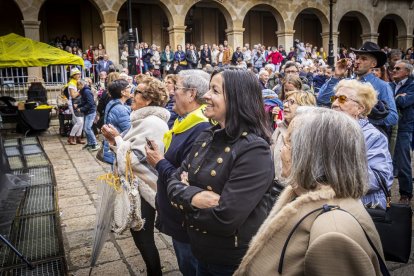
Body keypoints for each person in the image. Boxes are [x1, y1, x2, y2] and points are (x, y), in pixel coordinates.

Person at [235, 107, 384, 275]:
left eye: (288, 142)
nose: (282, 150)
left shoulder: (332, 233)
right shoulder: (303, 196)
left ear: (310, 155)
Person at [167, 70, 275, 275]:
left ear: (237, 98)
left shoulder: (254, 150)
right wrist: (197, 197)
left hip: (231, 262)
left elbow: (226, 218)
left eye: (214, 90)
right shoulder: (207, 135)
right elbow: (172, 182)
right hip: (201, 251)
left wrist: (185, 196)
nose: (205, 95)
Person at [101, 76, 170, 276]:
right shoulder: (141, 119)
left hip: (145, 187)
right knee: (140, 235)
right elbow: (131, 150)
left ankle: (154, 272)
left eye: (137, 92)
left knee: (142, 235)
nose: (132, 95)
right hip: (136, 185)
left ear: (148, 100)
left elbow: (140, 160)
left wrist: (117, 139)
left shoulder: (153, 123)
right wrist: (117, 141)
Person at [145, 70, 211, 275]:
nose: (171, 92)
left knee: (191, 267)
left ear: (191, 94)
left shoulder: (201, 128)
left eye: (176, 88)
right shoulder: (183, 121)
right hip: (176, 215)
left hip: (186, 221)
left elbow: (186, 179)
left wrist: (159, 162)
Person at [331, 79, 393, 209]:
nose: (335, 104)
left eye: (342, 99)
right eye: (334, 98)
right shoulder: (330, 132)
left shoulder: (373, 136)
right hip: (335, 204)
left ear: (359, 108)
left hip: (363, 207)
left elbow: (378, 179)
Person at [318, 42, 397, 134]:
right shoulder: (345, 83)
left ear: (373, 64)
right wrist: (336, 76)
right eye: (357, 58)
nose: (358, 61)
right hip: (340, 132)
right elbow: (323, 100)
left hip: (366, 136)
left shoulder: (382, 86)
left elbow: (392, 117)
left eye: (363, 59)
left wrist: (364, 119)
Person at [271, 90, 316, 182]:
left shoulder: (312, 134)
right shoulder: (280, 128)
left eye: (291, 102)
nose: (285, 105)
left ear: (304, 107)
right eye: (286, 101)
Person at [389, 60, 414, 204]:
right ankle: (385, 192)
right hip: (389, 126)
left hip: (404, 128)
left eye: (398, 68)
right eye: (393, 68)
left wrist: (395, 99)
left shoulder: (412, 85)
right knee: (387, 160)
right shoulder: (390, 85)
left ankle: (406, 193)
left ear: (407, 72)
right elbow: (384, 102)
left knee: (403, 161)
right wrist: (397, 97)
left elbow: (404, 103)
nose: (394, 70)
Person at [101, 79, 132, 164]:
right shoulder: (120, 109)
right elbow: (130, 131)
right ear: (123, 92)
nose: (131, 88)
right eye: (129, 86)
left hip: (111, 146)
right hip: (116, 149)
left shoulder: (112, 103)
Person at [74, 79, 100, 151]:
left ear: (82, 85)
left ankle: (95, 144)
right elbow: (85, 102)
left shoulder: (86, 91)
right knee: (87, 128)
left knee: (87, 128)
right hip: (88, 112)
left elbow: (90, 103)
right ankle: (90, 144)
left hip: (90, 112)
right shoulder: (83, 91)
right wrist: (78, 105)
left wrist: (81, 109)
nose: (77, 87)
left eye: (78, 85)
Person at [65, 68, 84, 145]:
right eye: (77, 74)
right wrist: (80, 90)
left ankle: (78, 137)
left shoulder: (77, 82)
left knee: (81, 122)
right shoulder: (71, 84)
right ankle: (71, 137)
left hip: (79, 103)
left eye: (79, 73)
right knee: (79, 121)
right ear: (73, 75)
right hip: (73, 103)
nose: (79, 75)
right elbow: (73, 96)